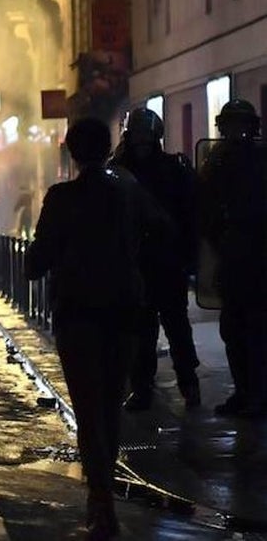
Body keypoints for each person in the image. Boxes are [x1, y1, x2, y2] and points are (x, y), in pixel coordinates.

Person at [26, 118, 153, 539]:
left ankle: (100, 502)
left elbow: (37, 261)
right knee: (110, 407)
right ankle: (104, 494)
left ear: (72, 151)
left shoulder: (62, 197)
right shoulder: (129, 191)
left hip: (78, 312)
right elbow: (162, 231)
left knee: (88, 408)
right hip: (124, 309)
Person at [110, 107, 201, 411]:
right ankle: (146, 387)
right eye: (138, 136)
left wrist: (190, 256)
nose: (141, 142)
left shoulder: (169, 169)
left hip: (164, 261)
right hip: (140, 262)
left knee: (173, 327)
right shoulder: (122, 171)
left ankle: (185, 384)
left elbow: (190, 215)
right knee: (145, 330)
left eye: (145, 136)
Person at [198, 99, 267, 419]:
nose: (237, 132)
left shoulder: (258, 159)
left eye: (242, 125)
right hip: (233, 257)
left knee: (256, 330)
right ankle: (244, 392)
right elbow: (205, 208)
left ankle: (257, 396)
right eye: (232, 125)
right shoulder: (217, 161)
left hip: (258, 258)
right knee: (235, 330)